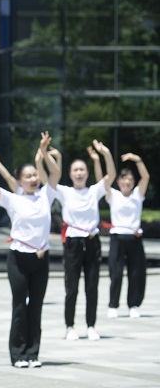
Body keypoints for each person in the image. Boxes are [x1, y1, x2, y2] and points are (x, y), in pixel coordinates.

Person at [0, 133, 60, 368]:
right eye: (28, 176)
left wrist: (44, 152)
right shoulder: (12, 199)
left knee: (35, 308)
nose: (33, 178)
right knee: (19, 307)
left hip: (41, 259)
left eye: (35, 174)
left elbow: (55, 174)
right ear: (19, 180)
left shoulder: (46, 195)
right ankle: (18, 355)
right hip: (18, 259)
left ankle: (33, 354)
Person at [56, 140, 116, 341]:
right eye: (76, 170)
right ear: (71, 174)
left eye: (82, 169)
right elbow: (50, 179)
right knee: (71, 286)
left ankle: (91, 325)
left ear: (87, 173)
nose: (79, 173)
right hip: (73, 243)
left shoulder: (94, 191)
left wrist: (105, 153)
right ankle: (70, 326)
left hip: (92, 242)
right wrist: (53, 158)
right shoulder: (65, 191)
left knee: (92, 286)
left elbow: (111, 176)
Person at [103, 154, 149, 319]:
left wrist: (137, 160)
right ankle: (113, 305)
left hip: (134, 238)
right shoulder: (113, 195)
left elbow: (146, 176)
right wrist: (100, 158)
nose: (127, 182)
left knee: (136, 273)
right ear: (119, 182)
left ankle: (133, 304)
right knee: (115, 273)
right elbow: (105, 181)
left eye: (130, 179)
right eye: (124, 179)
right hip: (117, 237)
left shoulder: (138, 195)